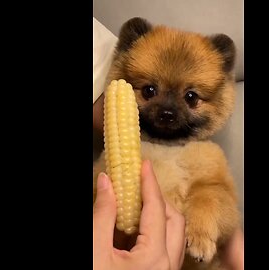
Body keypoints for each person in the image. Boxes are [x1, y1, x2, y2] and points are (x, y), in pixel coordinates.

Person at [92, 17, 243, 270]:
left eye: (191, 97)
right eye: (149, 91)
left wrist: (207, 211)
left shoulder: (209, 157)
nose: (168, 110)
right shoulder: (114, 157)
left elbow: (226, 217)